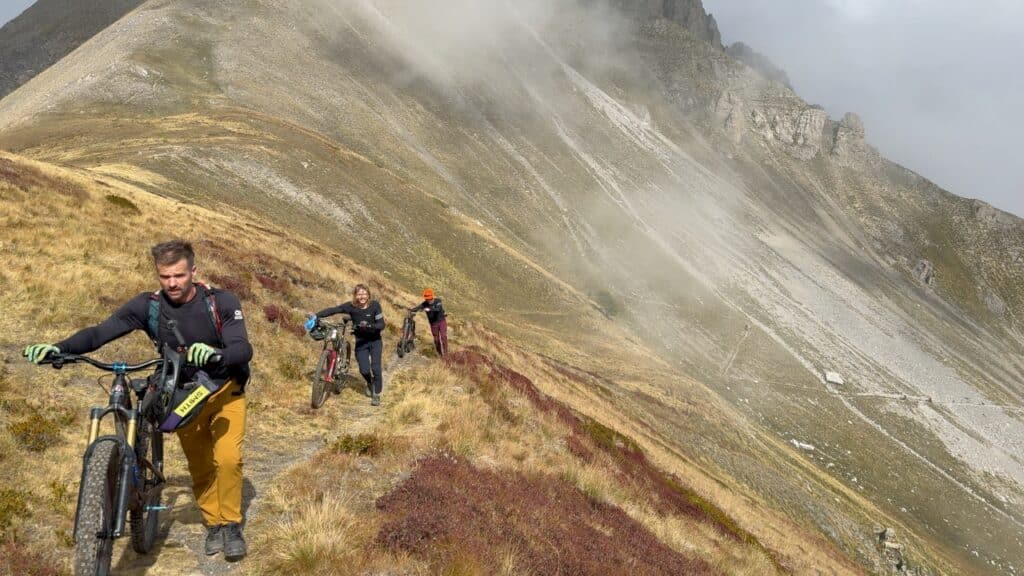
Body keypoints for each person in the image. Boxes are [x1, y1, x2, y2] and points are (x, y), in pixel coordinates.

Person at [22, 240, 253, 561]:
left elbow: (242, 348)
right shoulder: (149, 306)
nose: (172, 283)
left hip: (225, 391)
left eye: (179, 275)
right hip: (183, 398)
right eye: (165, 276)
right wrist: (59, 348)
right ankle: (213, 524)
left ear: (193, 272)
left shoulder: (222, 302)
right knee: (200, 465)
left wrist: (217, 354)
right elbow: (100, 333)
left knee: (227, 459)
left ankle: (231, 525)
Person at [312, 284, 385, 406]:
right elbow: (334, 310)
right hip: (361, 343)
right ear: (355, 296)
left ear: (368, 295)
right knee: (364, 369)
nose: (362, 296)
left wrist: (370, 326)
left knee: (376, 368)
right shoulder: (351, 307)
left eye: (364, 294)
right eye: (359, 294)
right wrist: (316, 315)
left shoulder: (375, 306)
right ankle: (370, 382)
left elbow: (381, 324)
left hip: (375, 341)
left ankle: (376, 394)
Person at [409, 288, 448, 358]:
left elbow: (438, 309)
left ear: (432, 297)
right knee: (436, 340)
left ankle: (446, 354)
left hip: (441, 321)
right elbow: (418, 307)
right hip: (433, 324)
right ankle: (440, 354)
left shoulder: (438, 301)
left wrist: (429, 309)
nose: (428, 300)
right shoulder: (425, 304)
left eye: (429, 299)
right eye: (427, 299)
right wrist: (411, 310)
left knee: (443, 336)